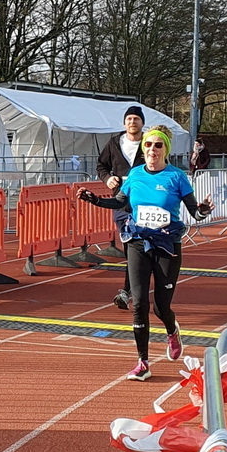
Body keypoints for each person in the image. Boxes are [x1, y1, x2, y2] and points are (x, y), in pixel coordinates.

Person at [78, 125, 214, 381]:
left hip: (167, 245)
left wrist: (204, 210)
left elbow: (194, 212)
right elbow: (120, 201)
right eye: (148, 145)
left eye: (158, 145)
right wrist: (94, 199)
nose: (152, 149)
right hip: (138, 241)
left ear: (166, 150)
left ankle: (172, 330)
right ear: (144, 149)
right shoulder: (135, 175)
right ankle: (143, 362)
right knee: (139, 303)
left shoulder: (176, 177)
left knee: (161, 308)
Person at [95, 105, 145, 310]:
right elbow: (101, 165)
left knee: (140, 246)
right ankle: (130, 289)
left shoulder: (151, 143)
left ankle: (131, 289)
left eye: (136, 119)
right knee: (129, 245)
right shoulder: (114, 143)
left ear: (142, 123)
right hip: (121, 202)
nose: (132, 122)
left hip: (145, 201)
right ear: (124, 123)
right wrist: (108, 179)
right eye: (129, 119)